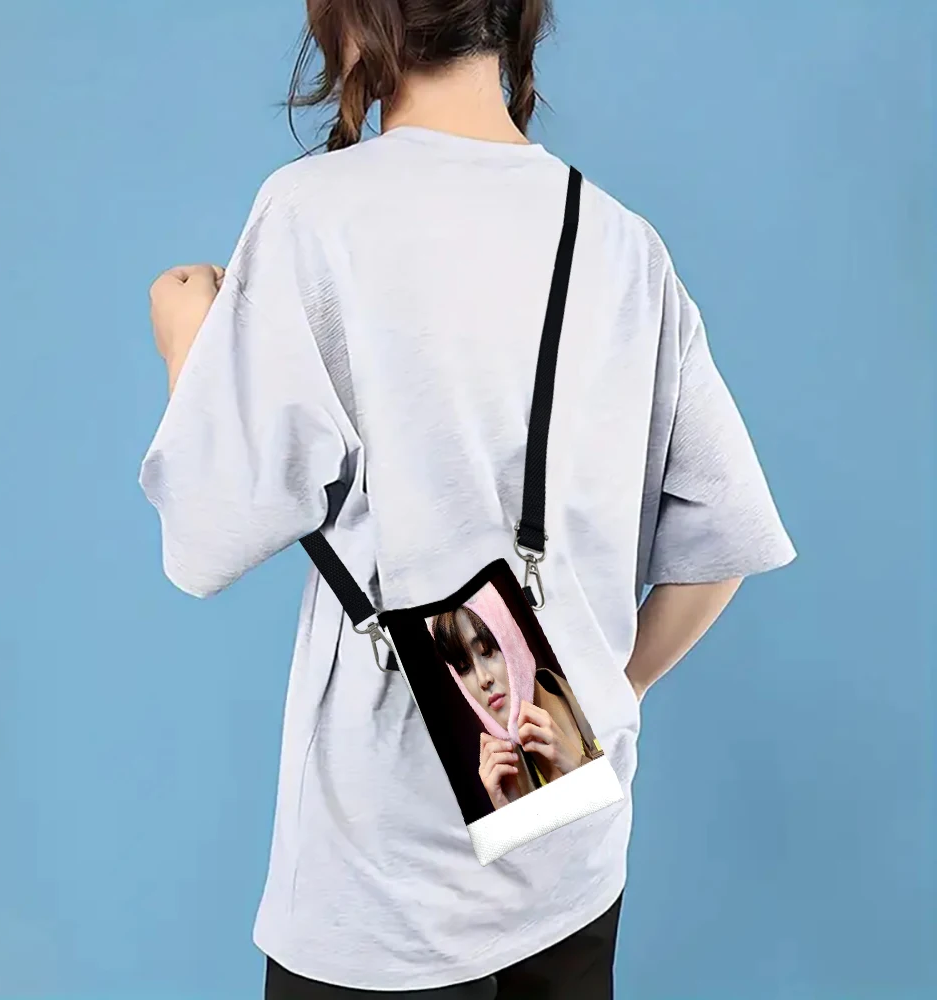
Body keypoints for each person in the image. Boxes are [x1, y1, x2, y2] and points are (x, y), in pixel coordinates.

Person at [140, 1, 797, 996]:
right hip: (571, 855)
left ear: (354, 20)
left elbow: (205, 535)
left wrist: (187, 340)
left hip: (382, 889)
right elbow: (725, 542)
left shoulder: (314, 211)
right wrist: (601, 696)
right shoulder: (619, 240)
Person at [432, 595, 604, 809]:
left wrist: (578, 767)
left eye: (487, 651)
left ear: (512, 643)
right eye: (464, 668)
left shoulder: (598, 700)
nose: (483, 679)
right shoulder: (507, 777)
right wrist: (509, 809)